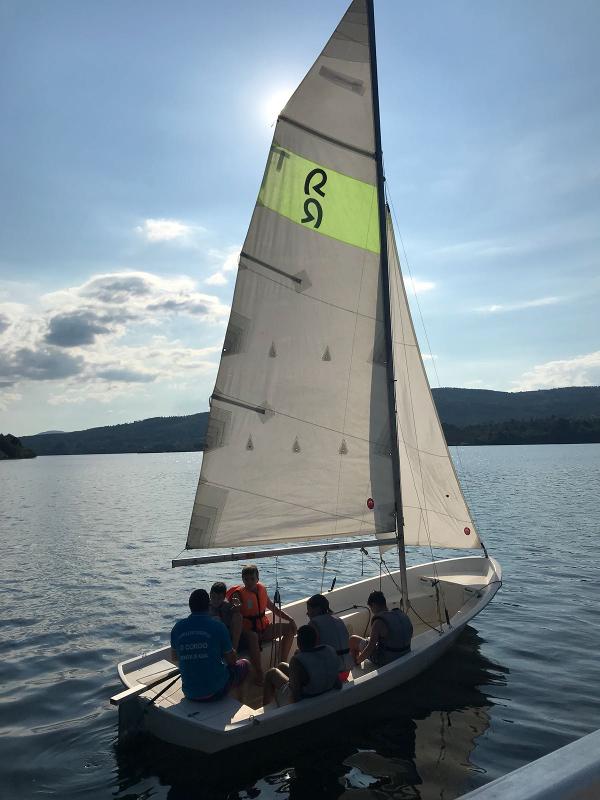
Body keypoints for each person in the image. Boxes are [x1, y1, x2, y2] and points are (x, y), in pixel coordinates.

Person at [170, 588, 250, 701]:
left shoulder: (177, 628)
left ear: (190, 606)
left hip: (189, 692)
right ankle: (240, 701)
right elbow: (232, 661)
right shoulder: (218, 626)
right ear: (208, 605)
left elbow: (175, 657)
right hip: (215, 692)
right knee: (245, 664)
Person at [226, 564, 297, 684]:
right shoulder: (238, 594)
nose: (249, 582)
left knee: (290, 629)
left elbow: (273, 608)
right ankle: (259, 674)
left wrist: (290, 619)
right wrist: (235, 606)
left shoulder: (261, 589)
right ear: (242, 579)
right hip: (247, 633)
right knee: (253, 636)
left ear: (257, 579)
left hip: (263, 629)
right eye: (246, 579)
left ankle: (282, 664)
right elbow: (235, 611)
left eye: (252, 579)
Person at [263, 625, 342, 706]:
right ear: (316, 639)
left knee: (271, 673)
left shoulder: (297, 660)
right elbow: (338, 683)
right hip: (326, 689)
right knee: (281, 666)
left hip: (308, 697)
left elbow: (296, 695)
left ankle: (268, 714)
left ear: (298, 642)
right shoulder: (329, 650)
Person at [349, 590, 413, 668]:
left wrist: (359, 659)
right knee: (370, 640)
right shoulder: (401, 615)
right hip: (406, 653)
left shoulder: (379, 622)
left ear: (373, 605)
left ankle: (354, 665)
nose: (372, 611)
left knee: (353, 640)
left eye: (371, 608)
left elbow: (370, 647)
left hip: (388, 659)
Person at [306, 593, 353, 681]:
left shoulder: (314, 624)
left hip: (331, 675)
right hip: (346, 673)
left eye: (309, 610)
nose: (307, 614)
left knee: (299, 655)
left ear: (317, 609)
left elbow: (311, 651)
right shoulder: (339, 620)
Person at [209, 581, 243, 649]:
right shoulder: (205, 607)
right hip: (211, 637)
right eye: (213, 597)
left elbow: (237, 614)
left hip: (227, 634)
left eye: (219, 598)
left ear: (224, 597)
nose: (216, 600)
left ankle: (233, 649)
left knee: (238, 616)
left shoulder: (227, 606)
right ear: (210, 595)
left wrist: (238, 606)